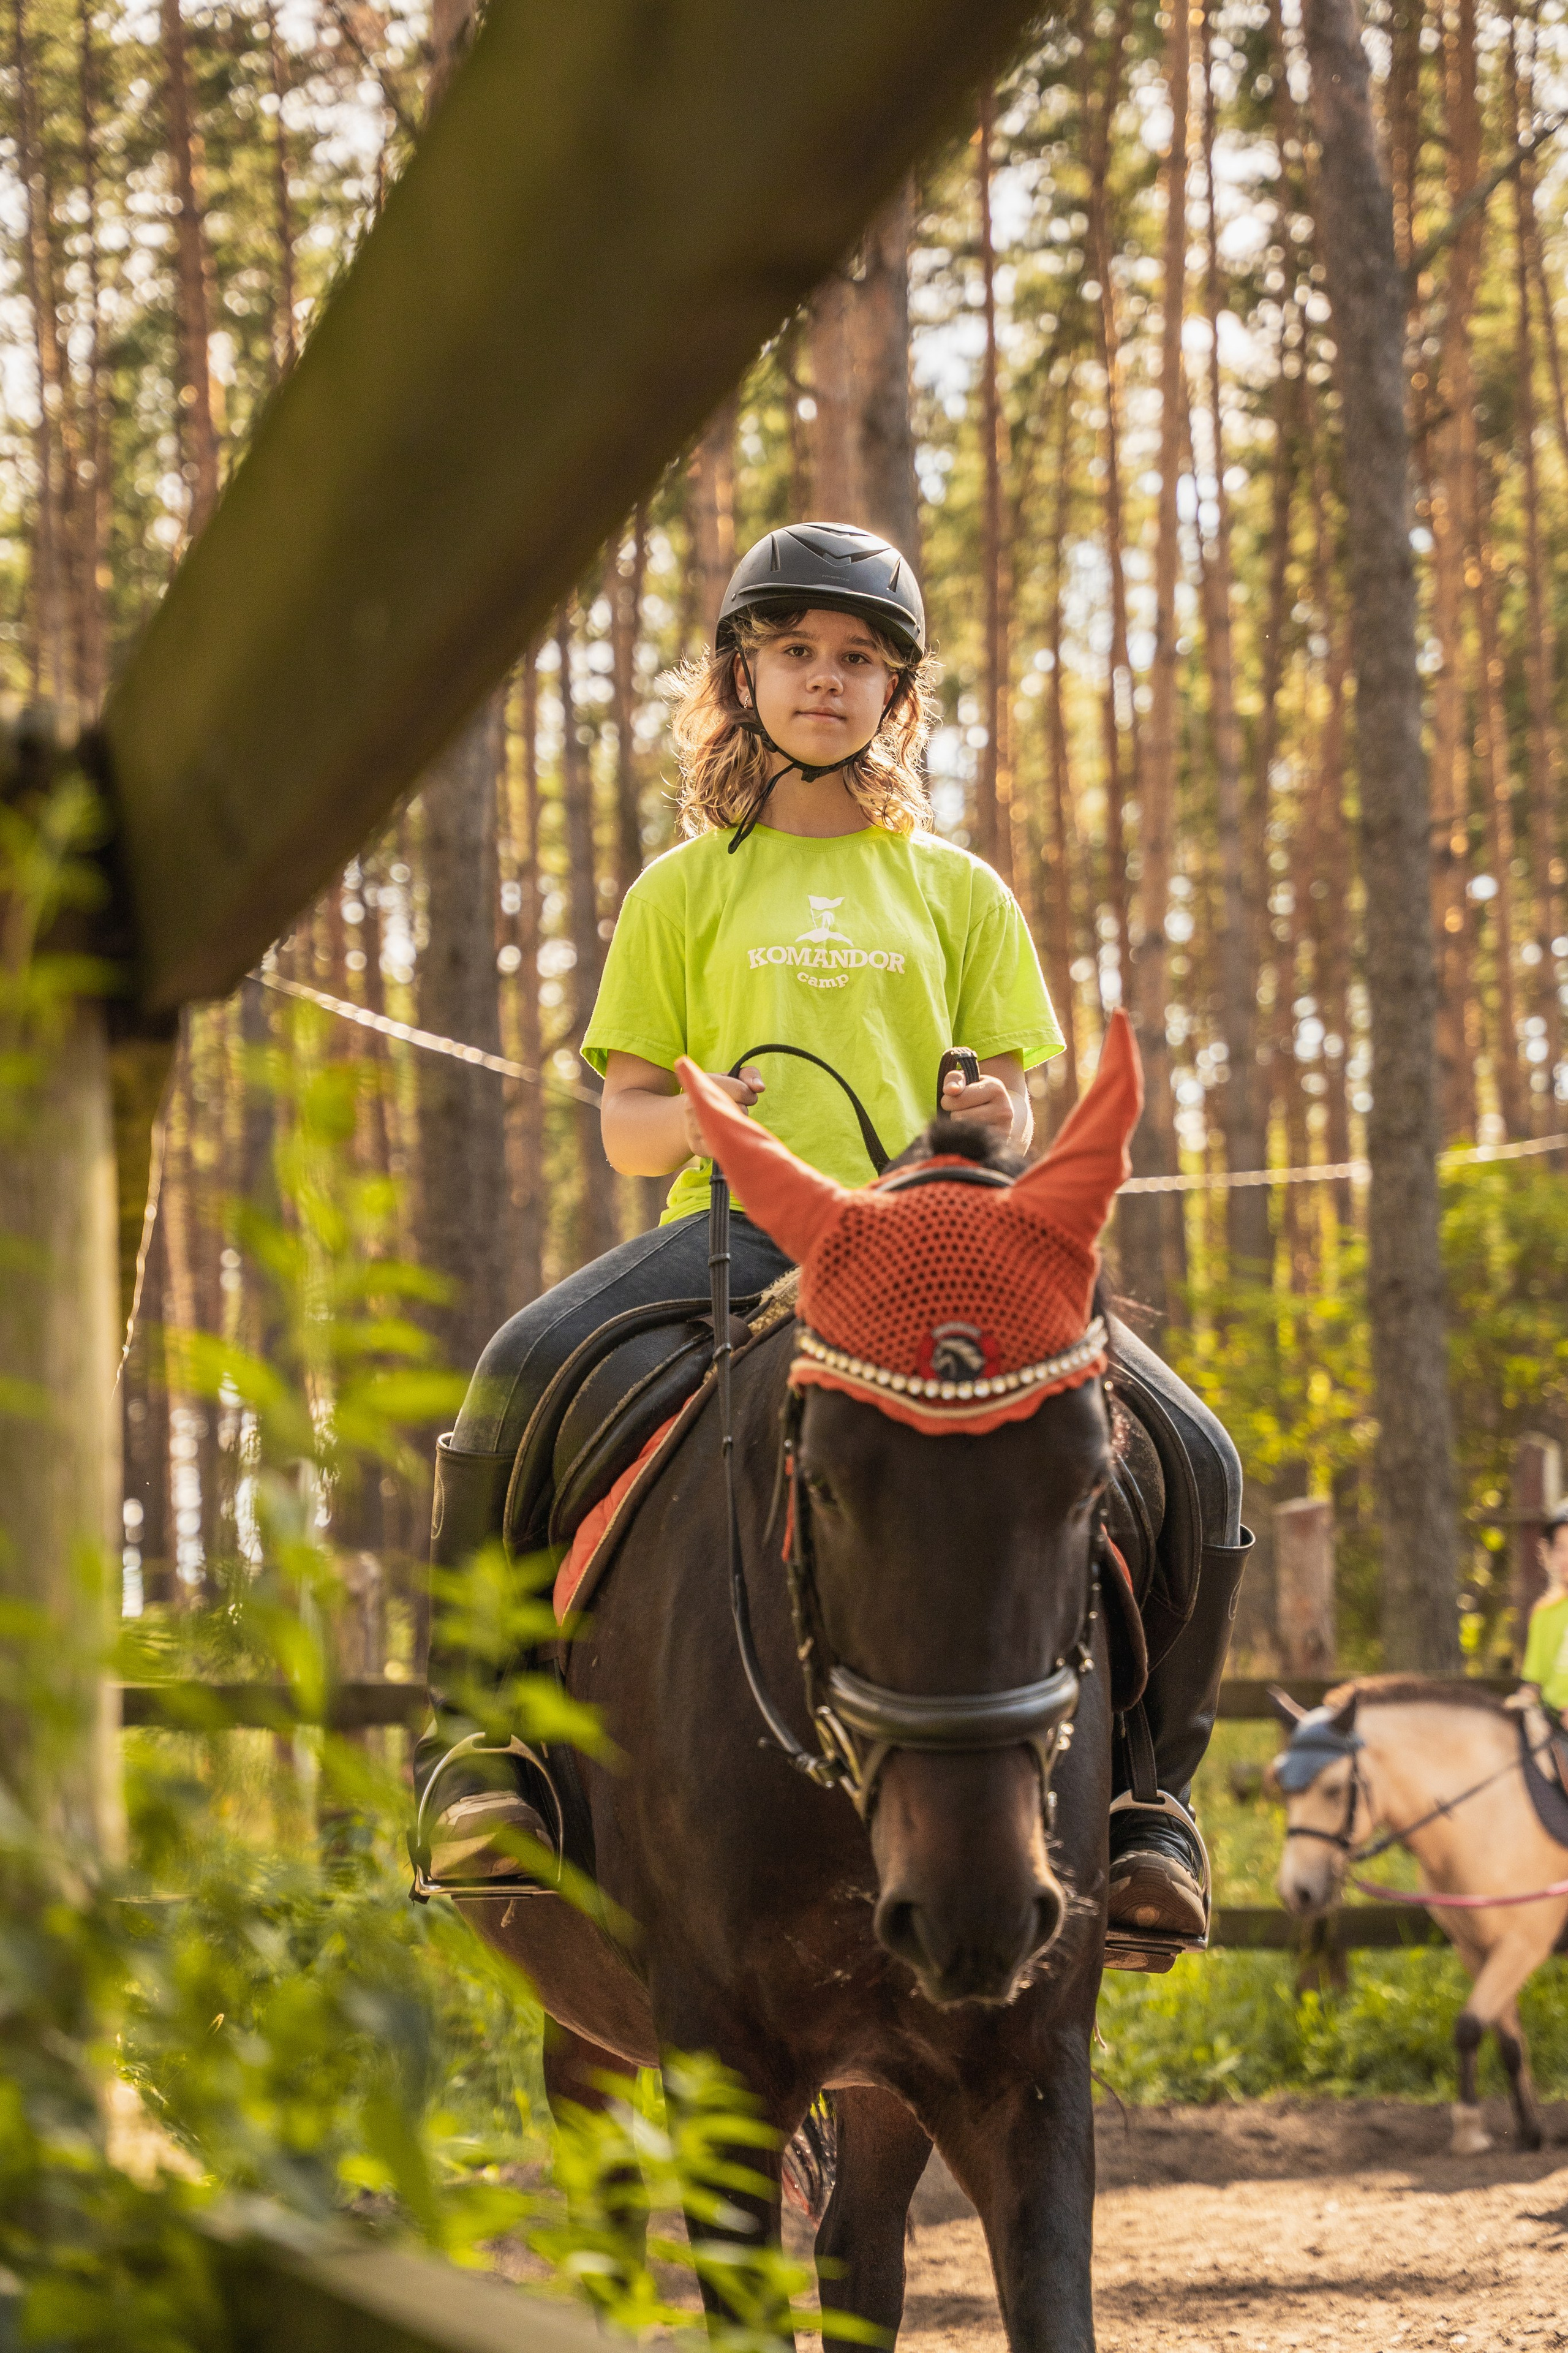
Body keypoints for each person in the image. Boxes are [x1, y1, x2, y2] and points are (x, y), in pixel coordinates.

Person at [418, 520, 1244, 1948]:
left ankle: (1146, 1802)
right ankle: (480, 1754)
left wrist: (997, 1107)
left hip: (926, 1247)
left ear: (893, 694)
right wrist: (697, 1115)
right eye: (793, 650)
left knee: (1194, 1447)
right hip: (729, 1233)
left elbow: (1014, 1101)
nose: (822, 678)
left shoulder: (956, 888)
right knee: (514, 1364)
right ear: (741, 676)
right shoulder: (683, 889)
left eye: (855, 657)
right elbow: (623, 1122)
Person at [1519, 1508, 1568, 1721]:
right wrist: (1521, 1700)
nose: (1566, 1558)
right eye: (1560, 1548)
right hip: (1552, 1728)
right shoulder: (1544, 1612)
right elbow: (1534, 1682)